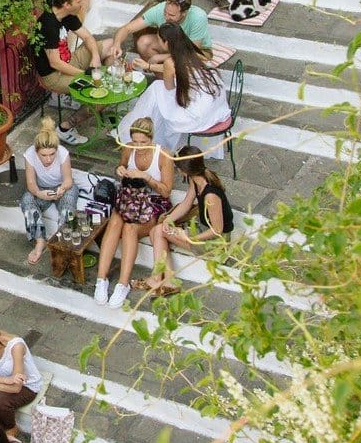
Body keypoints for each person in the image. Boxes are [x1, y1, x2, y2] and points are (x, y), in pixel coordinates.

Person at [94, 118, 175, 309]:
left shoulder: (163, 156)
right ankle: (101, 279)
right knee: (115, 223)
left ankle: (122, 284)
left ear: (151, 139)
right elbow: (119, 167)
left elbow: (166, 191)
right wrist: (120, 170)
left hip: (152, 201)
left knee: (130, 229)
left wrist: (146, 177)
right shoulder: (129, 148)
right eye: (135, 141)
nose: (138, 147)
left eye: (143, 143)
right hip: (130, 197)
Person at [117, 23, 230, 159]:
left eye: (159, 40)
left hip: (198, 115)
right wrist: (149, 66)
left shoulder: (170, 62)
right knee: (158, 91)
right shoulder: (192, 52)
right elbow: (179, 70)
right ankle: (147, 126)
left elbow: (169, 87)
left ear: (166, 43)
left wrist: (151, 67)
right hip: (215, 105)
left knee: (156, 89)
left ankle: (142, 129)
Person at [141, 145, 234, 294]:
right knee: (157, 230)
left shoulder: (211, 195)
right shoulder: (196, 179)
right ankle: (166, 280)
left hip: (215, 242)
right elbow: (186, 203)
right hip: (203, 228)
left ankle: (161, 279)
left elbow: (217, 230)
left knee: (157, 232)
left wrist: (190, 238)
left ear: (183, 170)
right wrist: (169, 219)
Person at [32, 0, 117, 145]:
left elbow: (88, 38)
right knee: (102, 97)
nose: (82, 4)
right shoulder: (48, 24)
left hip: (69, 62)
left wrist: (96, 57)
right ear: (66, 4)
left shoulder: (68, 15)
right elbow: (55, 63)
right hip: (53, 76)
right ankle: (65, 128)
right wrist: (85, 75)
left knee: (110, 46)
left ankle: (103, 83)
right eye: (78, 1)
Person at [20, 116, 79, 265]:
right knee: (26, 199)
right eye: (44, 155)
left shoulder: (63, 153)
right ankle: (40, 241)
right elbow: (31, 183)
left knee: (68, 206)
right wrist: (39, 193)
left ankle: (62, 241)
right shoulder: (30, 154)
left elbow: (68, 180)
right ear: (36, 151)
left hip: (62, 188)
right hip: (41, 189)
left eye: (52, 154)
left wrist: (62, 188)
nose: (48, 159)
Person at [108, 0, 214, 68]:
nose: (166, 17)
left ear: (184, 13)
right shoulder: (160, 9)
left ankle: (170, 74)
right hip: (171, 45)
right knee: (143, 42)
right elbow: (126, 28)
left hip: (195, 51)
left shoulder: (198, 17)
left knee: (192, 61)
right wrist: (117, 44)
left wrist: (161, 57)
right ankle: (163, 80)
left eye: (172, 15)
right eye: (165, 13)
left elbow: (191, 53)